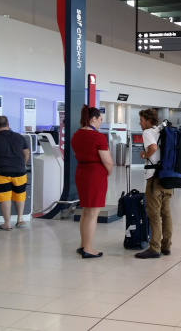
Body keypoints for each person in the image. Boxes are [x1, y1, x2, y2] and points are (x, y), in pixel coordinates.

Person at [70, 106, 112, 259]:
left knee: (87, 210)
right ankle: (88, 248)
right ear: (93, 119)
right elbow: (107, 161)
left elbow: (77, 154)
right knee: (94, 212)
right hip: (95, 174)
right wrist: (109, 171)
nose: (101, 122)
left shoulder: (76, 135)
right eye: (100, 119)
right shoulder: (98, 137)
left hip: (81, 172)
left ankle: (83, 245)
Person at [136, 108, 173, 259]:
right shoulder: (163, 132)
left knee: (154, 214)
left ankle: (154, 248)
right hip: (168, 177)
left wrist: (144, 154)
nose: (140, 123)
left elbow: (153, 147)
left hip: (154, 179)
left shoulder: (148, 132)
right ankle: (166, 246)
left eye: (142, 120)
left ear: (148, 121)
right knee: (166, 213)